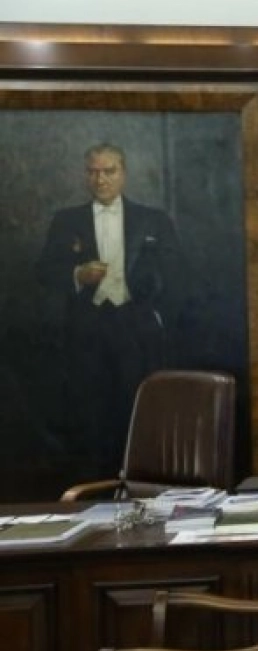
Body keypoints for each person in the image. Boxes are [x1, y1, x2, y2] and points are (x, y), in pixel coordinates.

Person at [35, 142, 185, 476]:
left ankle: (138, 484)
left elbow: (176, 273)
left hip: (137, 328)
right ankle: (95, 486)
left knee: (137, 411)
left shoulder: (153, 220)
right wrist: (77, 274)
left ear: (123, 174)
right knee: (90, 414)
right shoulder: (66, 220)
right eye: (93, 172)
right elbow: (44, 271)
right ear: (85, 175)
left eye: (108, 171)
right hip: (85, 330)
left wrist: (155, 311)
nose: (100, 179)